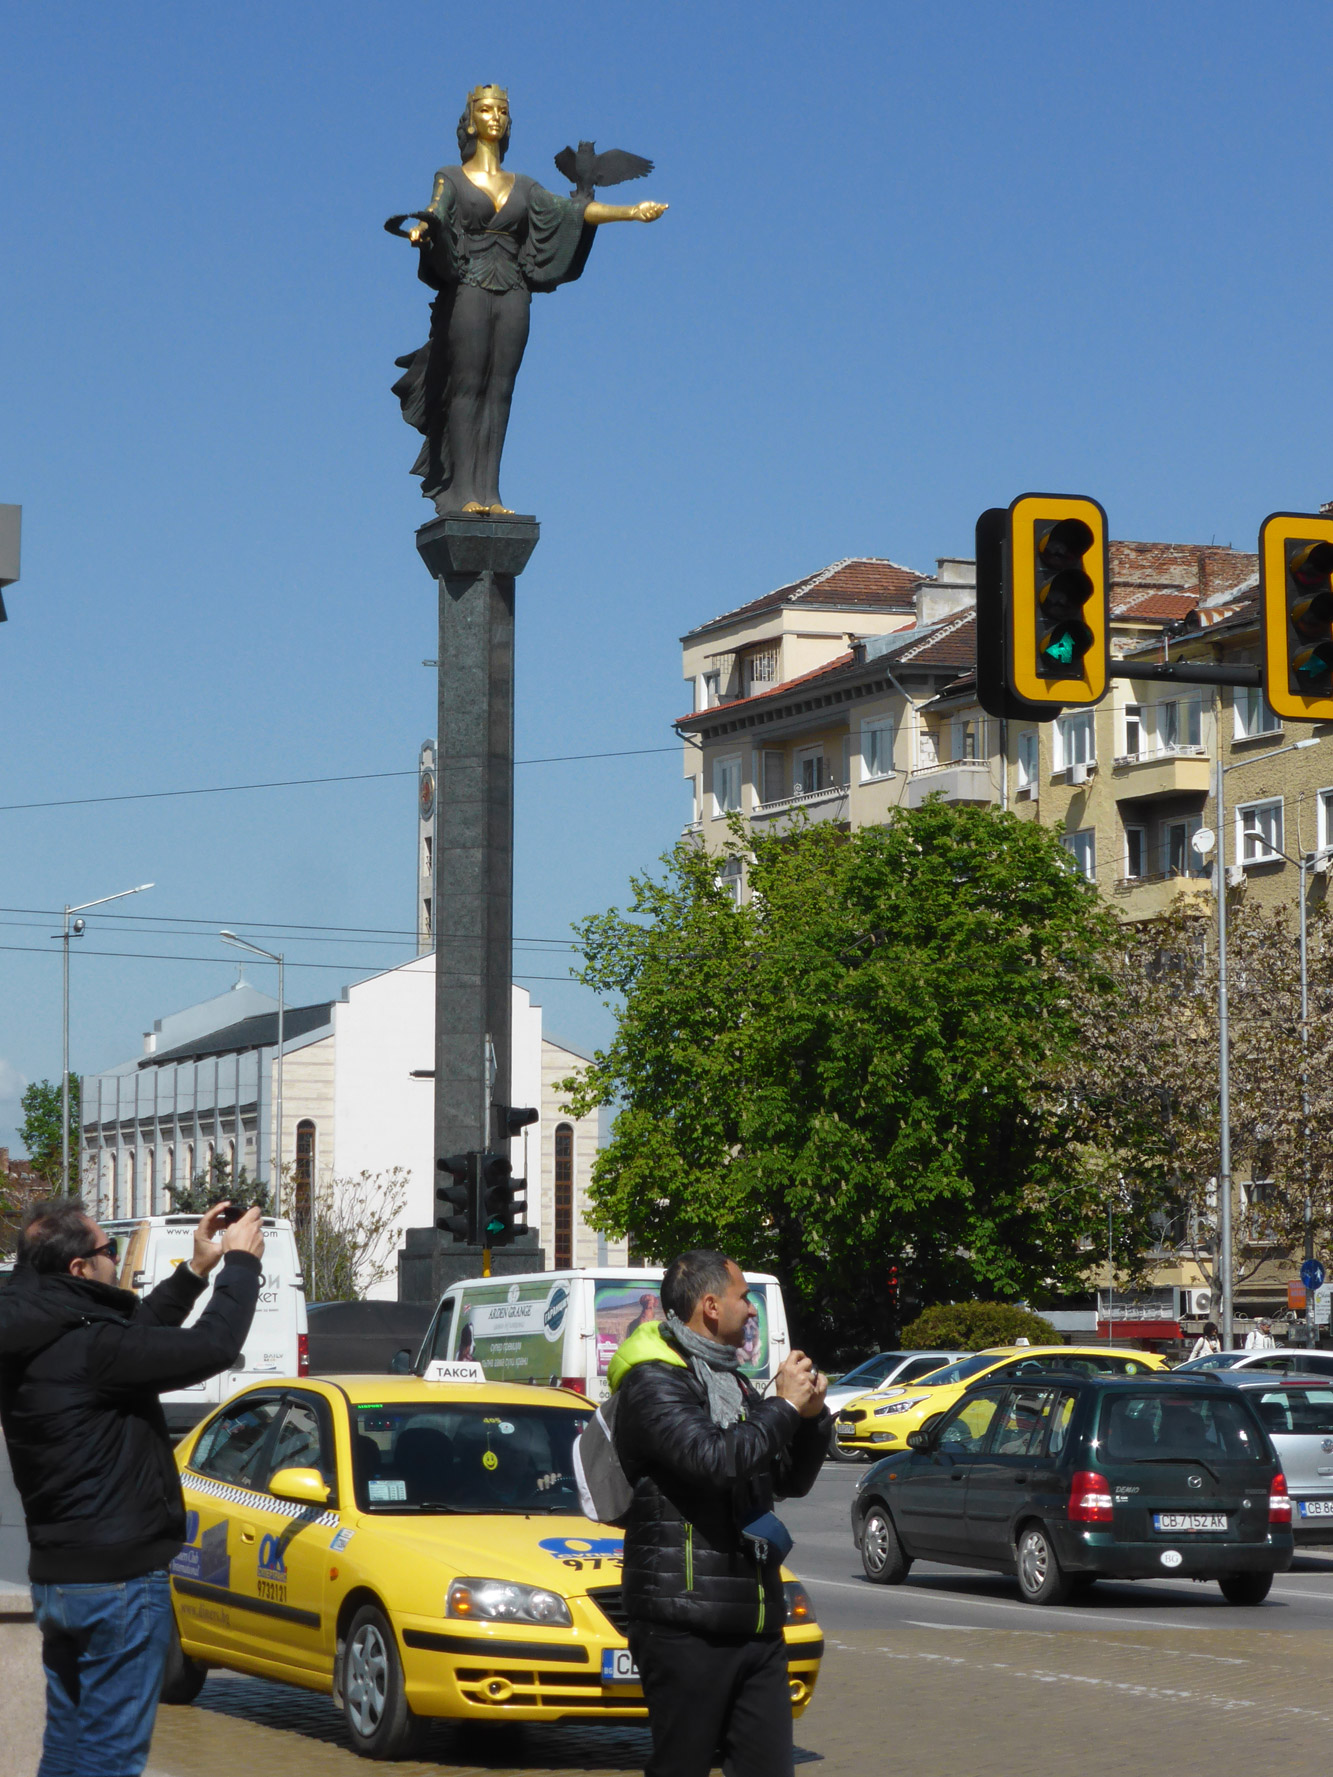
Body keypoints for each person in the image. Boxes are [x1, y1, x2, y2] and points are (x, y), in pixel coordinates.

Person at [0, 1198, 264, 1777]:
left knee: (69, 1752)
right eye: (107, 1250)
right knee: (110, 1761)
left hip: (60, 1581)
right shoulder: (91, 1348)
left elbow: (131, 1336)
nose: (116, 1259)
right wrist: (242, 1265)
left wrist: (195, 1273)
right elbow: (212, 1348)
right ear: (78, 1269)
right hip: (117, 1582)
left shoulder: (34, 1334)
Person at [389, 84, 667, 514]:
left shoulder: (525, 186)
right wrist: (423, 230)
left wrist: (630, 212)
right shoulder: (451, 176)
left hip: (514, 289)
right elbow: (438, 210)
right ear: (470, 120)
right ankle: (463, 492)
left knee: (501, 390)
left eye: (501, 110)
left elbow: (572, 212)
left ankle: (491, 493)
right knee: (467, 387)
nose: (495, 117)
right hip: (470, 286)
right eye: (485, 110)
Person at [608, 1250, 830, 1777]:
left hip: (755, 1619)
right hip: (686, 1620)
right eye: (743, 1297)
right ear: (710, 1306)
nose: (752, 1309)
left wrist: (812, 1419)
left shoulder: (735, 1380)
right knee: (682, 1765)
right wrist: (782, 1408)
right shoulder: (653, 1383)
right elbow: (714, 1461)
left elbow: (782, 1479)